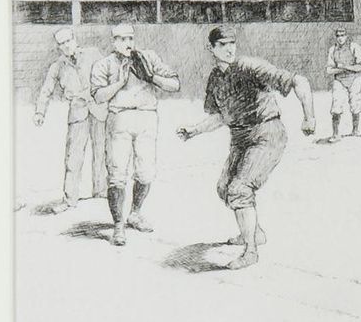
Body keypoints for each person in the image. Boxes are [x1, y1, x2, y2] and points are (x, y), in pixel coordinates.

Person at [176, 26, 316, 270]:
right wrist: (194, 130)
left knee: (240, 189)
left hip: (267, 133)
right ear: (211, 48)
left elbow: (299, 81)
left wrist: (309, 117)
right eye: (222, 44)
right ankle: (254, 232)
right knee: (224, 189)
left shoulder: (250, 66)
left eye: (232, 43)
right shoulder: (215, 79)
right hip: (240, 137)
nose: (230, 48)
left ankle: (250, 251)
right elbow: (220, 116)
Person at [89, 23, 181, 247]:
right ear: (113, 42)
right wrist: (120, 82)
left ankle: (135, 213)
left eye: (130, 38)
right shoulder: (104, 64)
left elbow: (175, 84)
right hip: (119, 118)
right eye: (121, 39)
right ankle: (118, 224)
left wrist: (151, 77)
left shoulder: (148, 57)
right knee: (117, 173)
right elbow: (99, 97)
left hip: (147, 117)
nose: (127, 43)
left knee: (146, 172)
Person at [32, 28, 107, 212]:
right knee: (73, 156)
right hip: (77, 112)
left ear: (74, 39)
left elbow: (109, 75)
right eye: (61, 44)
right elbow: (46, 90)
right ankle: (69, 199)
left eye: (68, 41)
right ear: (58, 47)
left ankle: (102, 193)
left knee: (102, 153)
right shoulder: (56, 67)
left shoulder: (94, 54)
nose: (66, 46)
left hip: (99, 109)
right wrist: (40, 112)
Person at [325, 27, 361, 141]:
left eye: (342, 35)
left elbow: (359, 67)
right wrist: (342, 70)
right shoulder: (332, 50)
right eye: (338, 36)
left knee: (355, 104)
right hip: (340, 80)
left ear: (346, 36)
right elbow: (329, 70)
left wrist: (345, 67)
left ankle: (355, 130)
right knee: (336, 105)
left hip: (354, 79)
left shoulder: (354, 47)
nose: (340, 38)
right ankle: (335, 134)